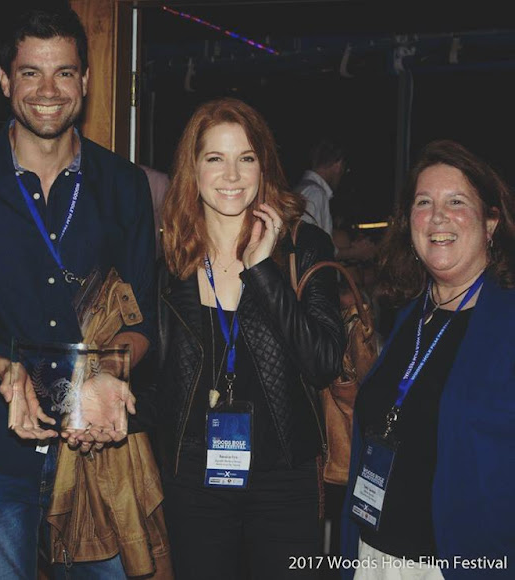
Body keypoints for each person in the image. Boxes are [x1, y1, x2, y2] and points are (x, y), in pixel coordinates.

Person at [0, 8, 156, 579]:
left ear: (86, 81)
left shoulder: (123, 185)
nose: (48, 91)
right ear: (4, 81)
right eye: (30, 73)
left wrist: (108, 375)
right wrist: (5, 369)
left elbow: (144, 319)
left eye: (64, 73)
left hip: (97, 450)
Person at [157, 97, 346, 579]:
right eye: (215, 159)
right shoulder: (169, 256)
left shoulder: (303, 247)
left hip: (285, 479)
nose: (232, 175)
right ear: (193, 169)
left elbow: (323, 362)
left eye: (246, 158)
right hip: (193, 479)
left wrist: (263, 270)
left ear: (264, 166)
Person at [341, 140, 515, 578]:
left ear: (491, 221)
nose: (437, 216)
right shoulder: (412, 315)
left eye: (456, 202)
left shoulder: (507, 322)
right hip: (372, 556)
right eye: (424, 203)